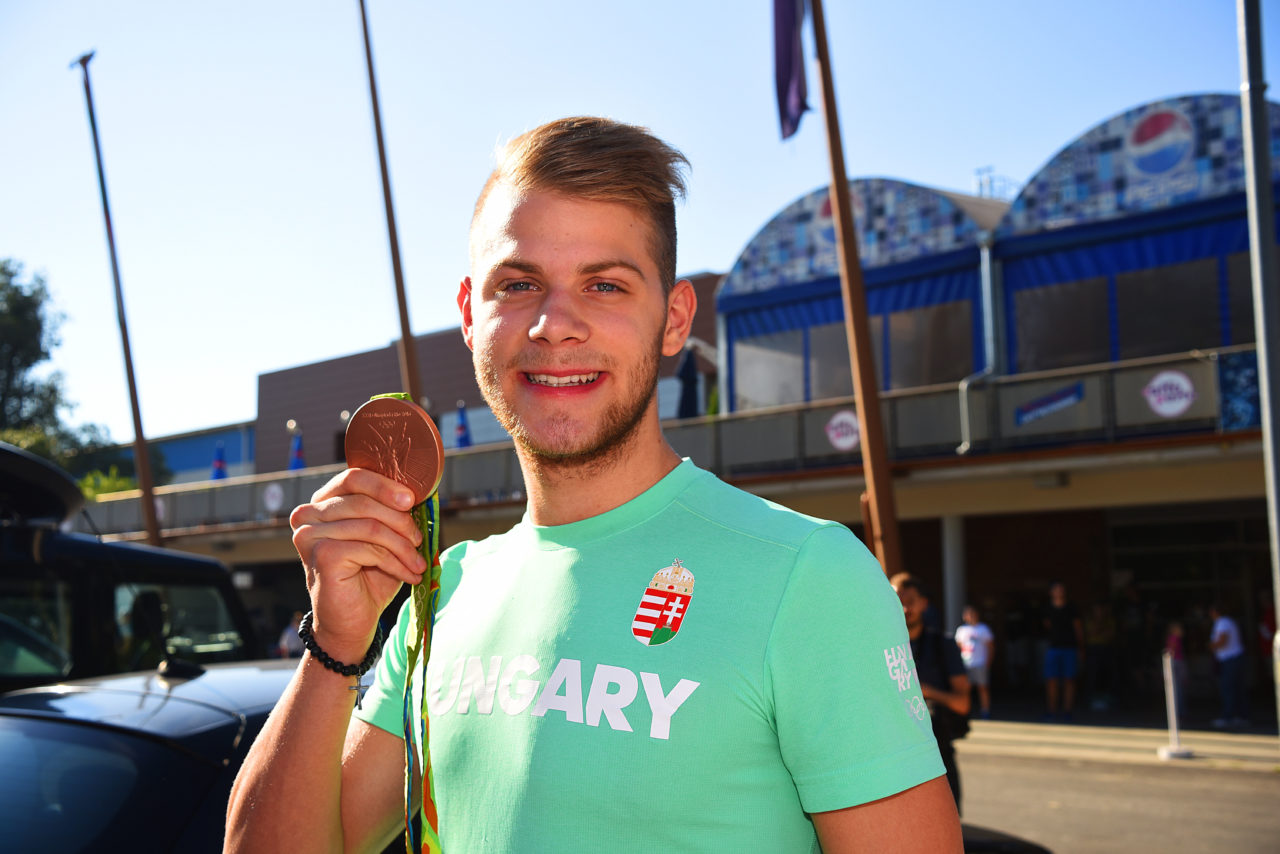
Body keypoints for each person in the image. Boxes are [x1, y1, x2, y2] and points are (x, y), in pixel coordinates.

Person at [226, 117, 962, 853]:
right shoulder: (439, 594)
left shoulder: (808, 576)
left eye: (605, 284)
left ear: (673, 320)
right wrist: (335, 641)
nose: (556, 324)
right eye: (518, 284)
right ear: (468, 316)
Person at [889, 574, 970, 813]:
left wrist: (927, 692)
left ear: (924, 603)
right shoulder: (881, 645)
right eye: (897, 600)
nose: (904, 608)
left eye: (910, 600)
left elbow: (963, 704)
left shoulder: (942, 644)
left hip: (937, 758)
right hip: (894, 759)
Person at [1042, 581, 1083, 722]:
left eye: (1061, 590)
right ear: (1051, 592)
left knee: (1069, 680)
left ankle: (1067, 711)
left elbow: (1078, 628)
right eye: (1056, 590)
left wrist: (1080, 647)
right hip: (1053, 647)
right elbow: (1047, 625)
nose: (1059, 592)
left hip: (1070, 648)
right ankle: (1051, 710)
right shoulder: (1048, 608)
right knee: (1051, 680)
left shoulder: (1071, 608)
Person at [1208, 603, 1248, 728]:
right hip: (1235, 658)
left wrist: (1211, 646)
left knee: (1228, 689)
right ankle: (1241, 716)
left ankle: (1228, 716)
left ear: (1215, 612)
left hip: (1230, 659)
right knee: (1237, 688)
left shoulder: (1223, 622)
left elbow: (1222, 641)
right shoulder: (1229, 621)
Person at [955, 604, 994, 719]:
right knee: (966, 689)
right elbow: (958, 647)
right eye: (968, 614)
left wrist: (988, 662)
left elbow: (991, 647)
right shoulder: (961, 630)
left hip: (980, 663)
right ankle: (966, 711)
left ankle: (985, 710)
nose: (970, 616)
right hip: (966, 664)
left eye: (972, 614)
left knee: (983, 688)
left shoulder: (983, 629)